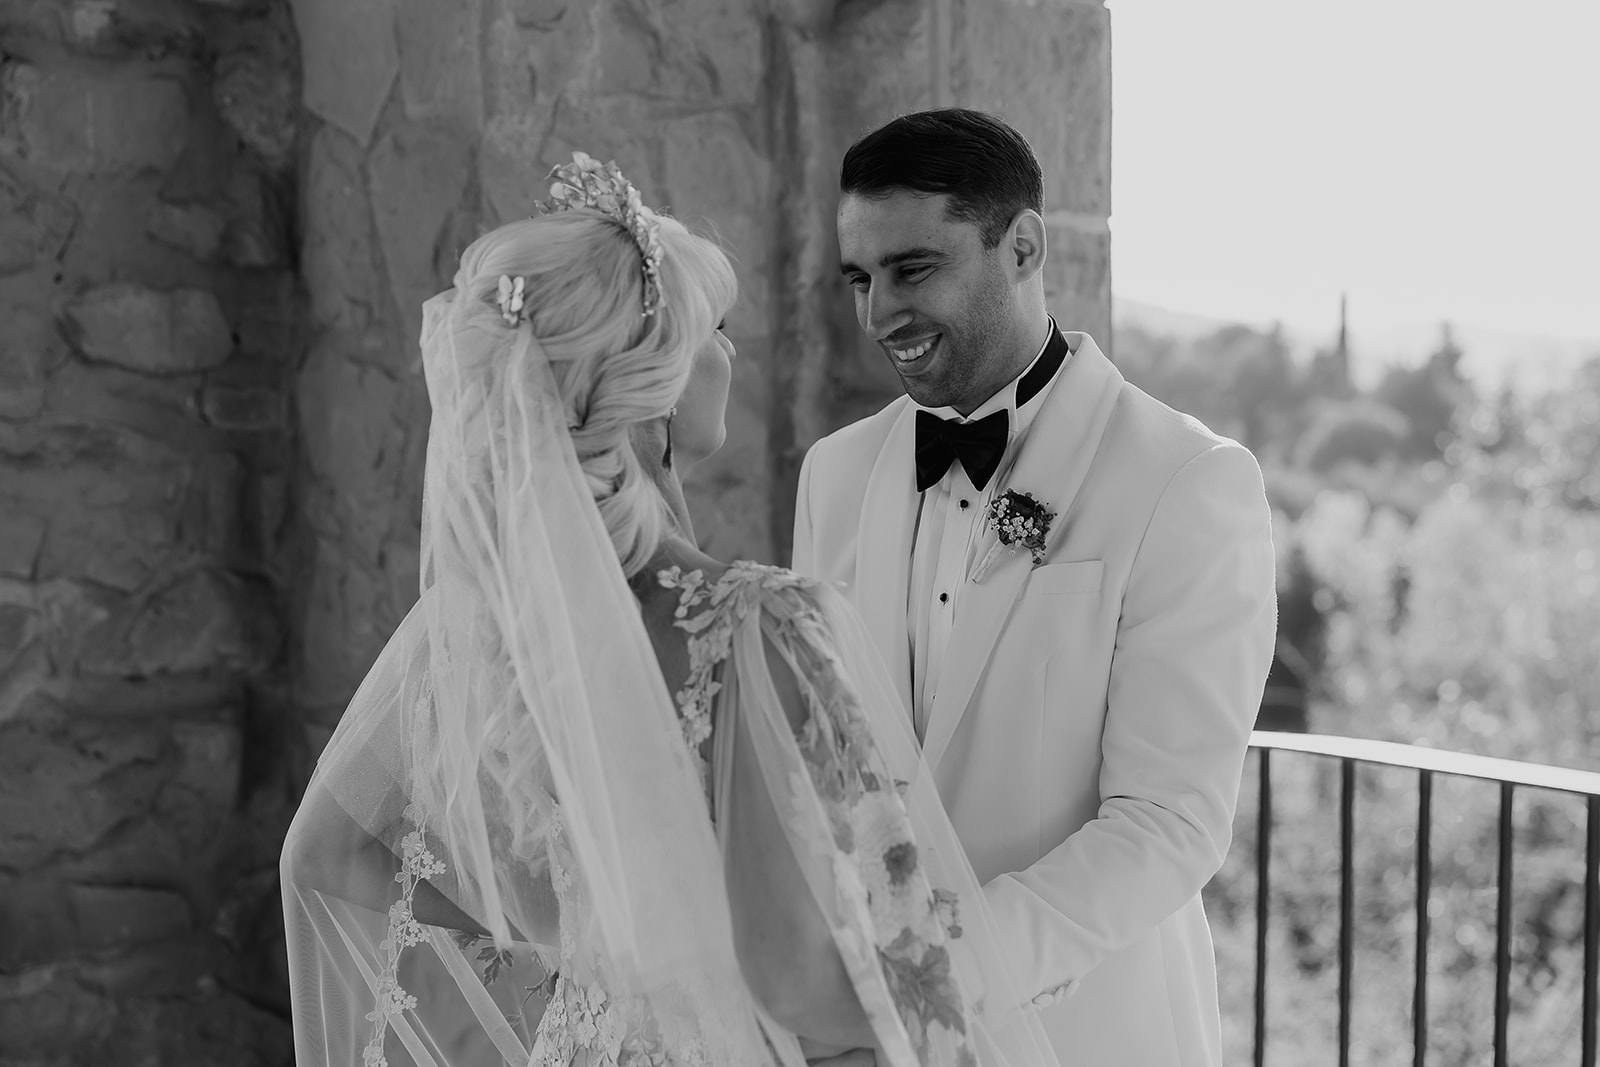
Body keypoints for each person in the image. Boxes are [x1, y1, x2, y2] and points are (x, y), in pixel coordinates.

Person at [280, 153, 1060, 1067]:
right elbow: (797, 984)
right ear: (653, 379)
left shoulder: (473, 631)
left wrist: (585, 971)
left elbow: (326, 856)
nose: (731, 352)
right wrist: (968, 983)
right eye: (714, 330)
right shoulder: (760, 624)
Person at [792, 109, 1278, 1067]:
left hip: (1083, 1034)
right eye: (861, 277)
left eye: (914, 268)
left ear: (1022, 246)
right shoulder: (835, 473)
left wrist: (935, 971)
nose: (879, 311)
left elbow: (1168, 822)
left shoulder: (1186, 480)